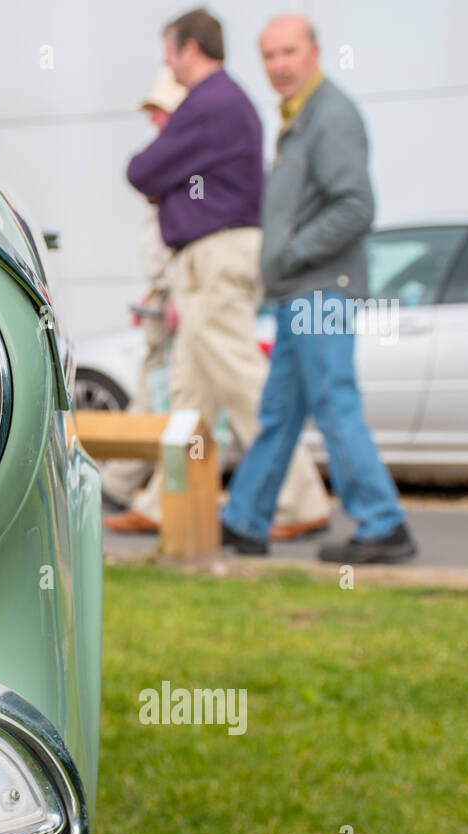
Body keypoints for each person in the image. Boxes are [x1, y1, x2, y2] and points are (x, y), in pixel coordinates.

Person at [109, 7, 330, 541]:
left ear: (190, 49)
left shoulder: (209, 102)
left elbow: (142, 170)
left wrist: (172, 185)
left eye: (170, 54)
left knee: (240, 377)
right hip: (210, 257)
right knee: (190, 393)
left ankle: (300, 497)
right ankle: (166, 503)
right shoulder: (225, 103)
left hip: (217, 255)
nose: (168, 65)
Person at [219, 14, 417, 564]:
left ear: (314, 52)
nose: (279, 66)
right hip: (296, 295)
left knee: (333, 402)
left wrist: (289, 252)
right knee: (280, 410)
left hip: (321, 293)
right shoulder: (297, 118)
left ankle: (384, 524)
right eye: (269, 55)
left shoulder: (331, 114)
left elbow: (356, 206)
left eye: (289, 52)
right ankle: (244, 521)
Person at [100, 68, 185, 515]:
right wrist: (155, 297)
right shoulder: (172, 162)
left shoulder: (188, 166)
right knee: (154, 395)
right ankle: (120, 486)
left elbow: (188, 243)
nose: (153, 120)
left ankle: (154, 501)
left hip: (183, 300)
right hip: (167, 299)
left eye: (160, 110)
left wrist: (178, 297)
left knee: (178, 400)